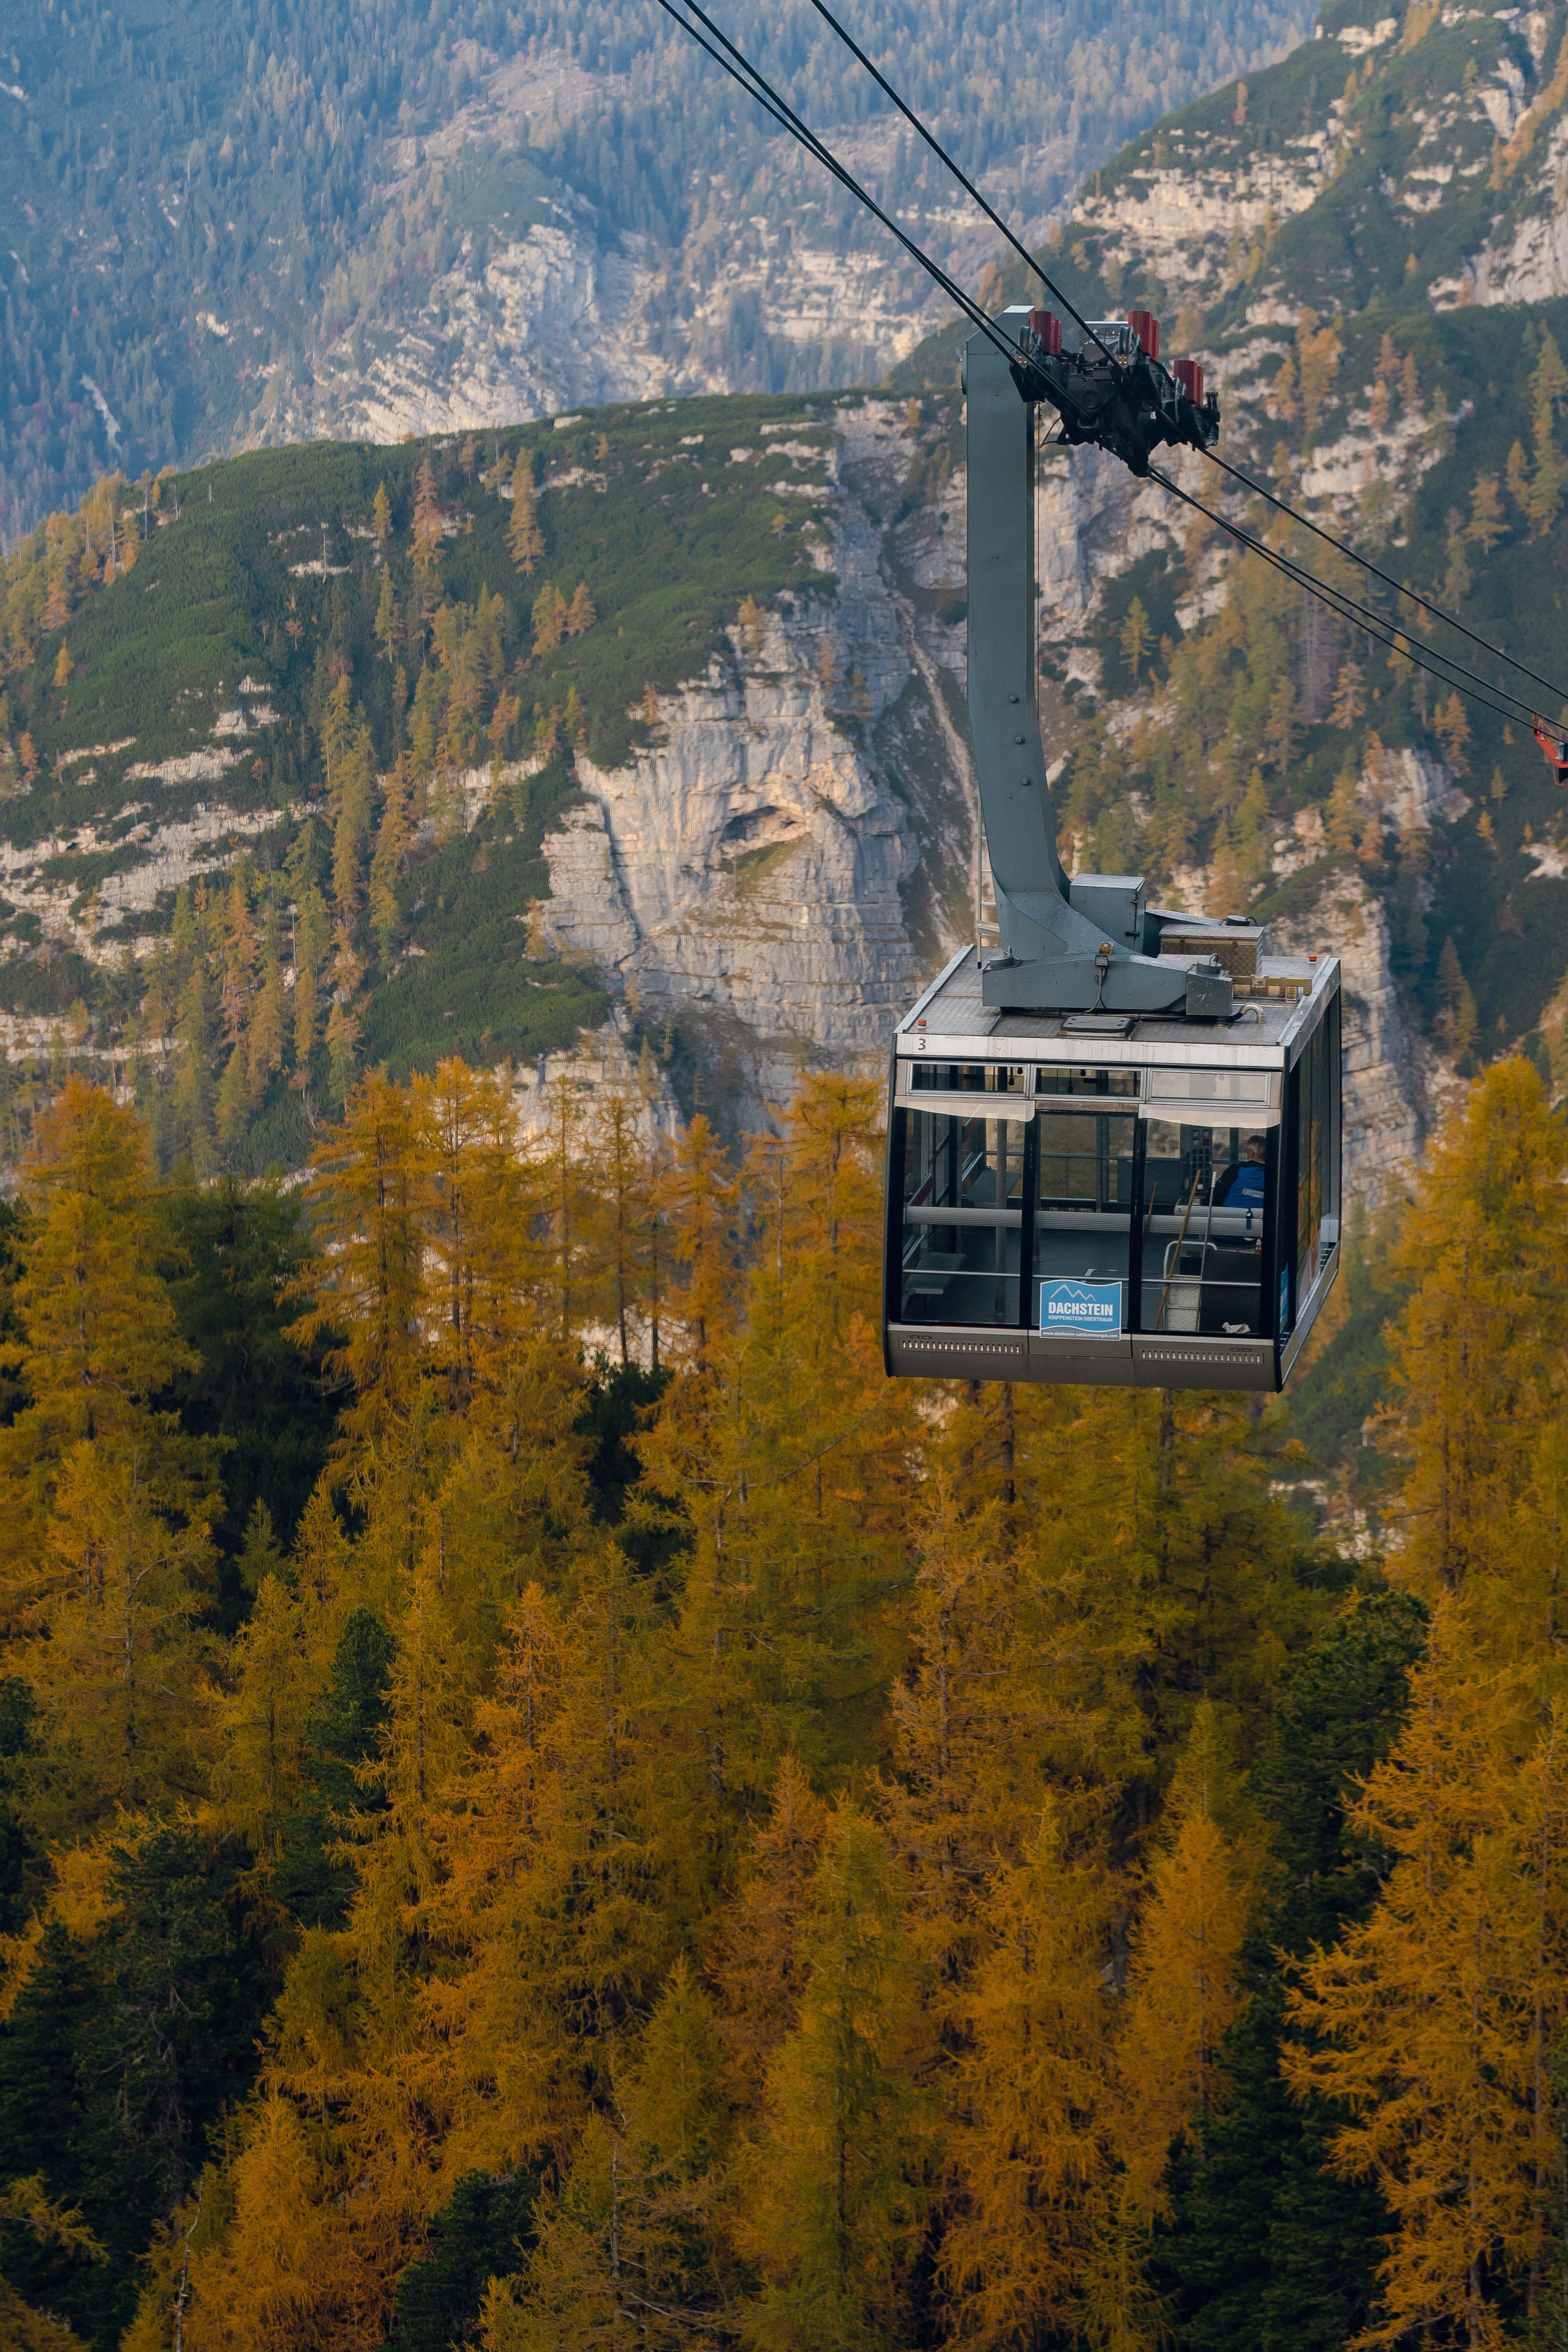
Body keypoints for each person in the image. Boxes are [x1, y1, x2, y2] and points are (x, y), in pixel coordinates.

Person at [1215, 1133, 1267, 1213]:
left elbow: (1215, 1195)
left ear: (1251, 1153)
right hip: (1262, 1219)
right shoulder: (1276, 1174)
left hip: (1229, 1217)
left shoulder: (1235, 1169)